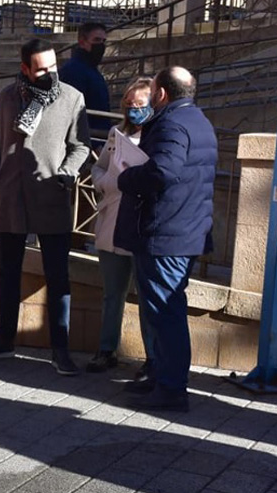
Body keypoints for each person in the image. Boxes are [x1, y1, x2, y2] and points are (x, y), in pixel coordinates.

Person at [0, 38, 91, 376]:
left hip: (51, 197)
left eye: (53, 66)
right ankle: (4, 340)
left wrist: (66, 175)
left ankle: (60, 350)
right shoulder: (6, 97)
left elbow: (81, 146)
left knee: (58, 276)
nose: (49, 73)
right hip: (10, 199)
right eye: (41, 68)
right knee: (7, 273)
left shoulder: (72, 98)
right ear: (25, 68)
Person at [115, 66, 217, 411]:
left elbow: (164, 171)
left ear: (160, 94)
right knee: (163, 311)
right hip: (185, 229)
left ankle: (172, 388)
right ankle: (162, 377)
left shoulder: (171, 123)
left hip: (168, 233)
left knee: (166, 312)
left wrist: (128, 177)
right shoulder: (199, 120)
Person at [87, 77, 157, 375]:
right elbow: (99, 166)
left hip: (141, 222)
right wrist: (106, 183)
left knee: (146, 295)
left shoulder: (159, 138)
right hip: (113, 216)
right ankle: (106, 349)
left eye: (140, 105)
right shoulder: (116, 134)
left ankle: (153, 357)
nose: (133, 110)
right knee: (112, 292)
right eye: (129, 105)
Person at [59, 22, 111, 145]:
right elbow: (73, 112)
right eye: (97, 40)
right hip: (87, 141)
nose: (101, 45)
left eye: (104, 41)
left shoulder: (91, 69)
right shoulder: (73, 70)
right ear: (82, 42)